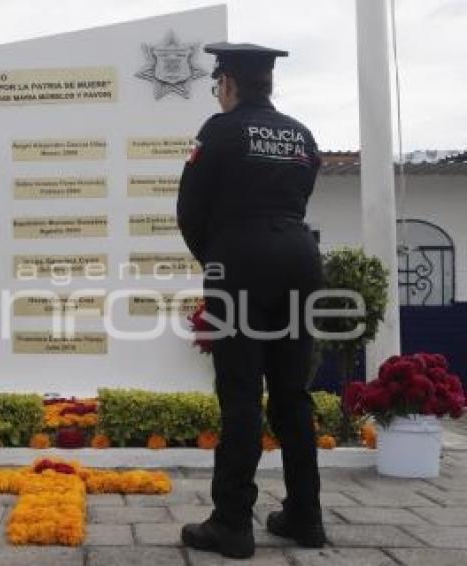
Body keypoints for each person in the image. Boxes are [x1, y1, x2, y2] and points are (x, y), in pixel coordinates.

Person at [177, 42, 325, 559]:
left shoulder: (219, 130)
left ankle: (233, 524)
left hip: (240, 261)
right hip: (300, 259)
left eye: (218, 84)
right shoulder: (302, 135)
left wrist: (217, 258)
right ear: (269, 84)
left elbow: (190, 211)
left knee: (241, 394)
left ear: (228, 84)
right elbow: (299, 198)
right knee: (292, 394)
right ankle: (307, 518)